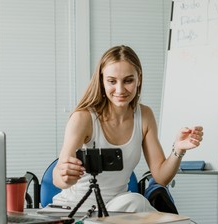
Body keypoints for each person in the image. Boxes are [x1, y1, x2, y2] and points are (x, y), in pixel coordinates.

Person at [52, 45, 203, 212]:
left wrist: (178, 149)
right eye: (112, 81)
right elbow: (58, 177)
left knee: (136, 201)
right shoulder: (83, 118)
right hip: (75, 209)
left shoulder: (144, 115)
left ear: (138, 79)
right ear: (102, 81)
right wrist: (65, 176)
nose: (120, 90)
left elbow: (160, 177)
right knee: (138, 203)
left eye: (128, 80)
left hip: (118, 208)